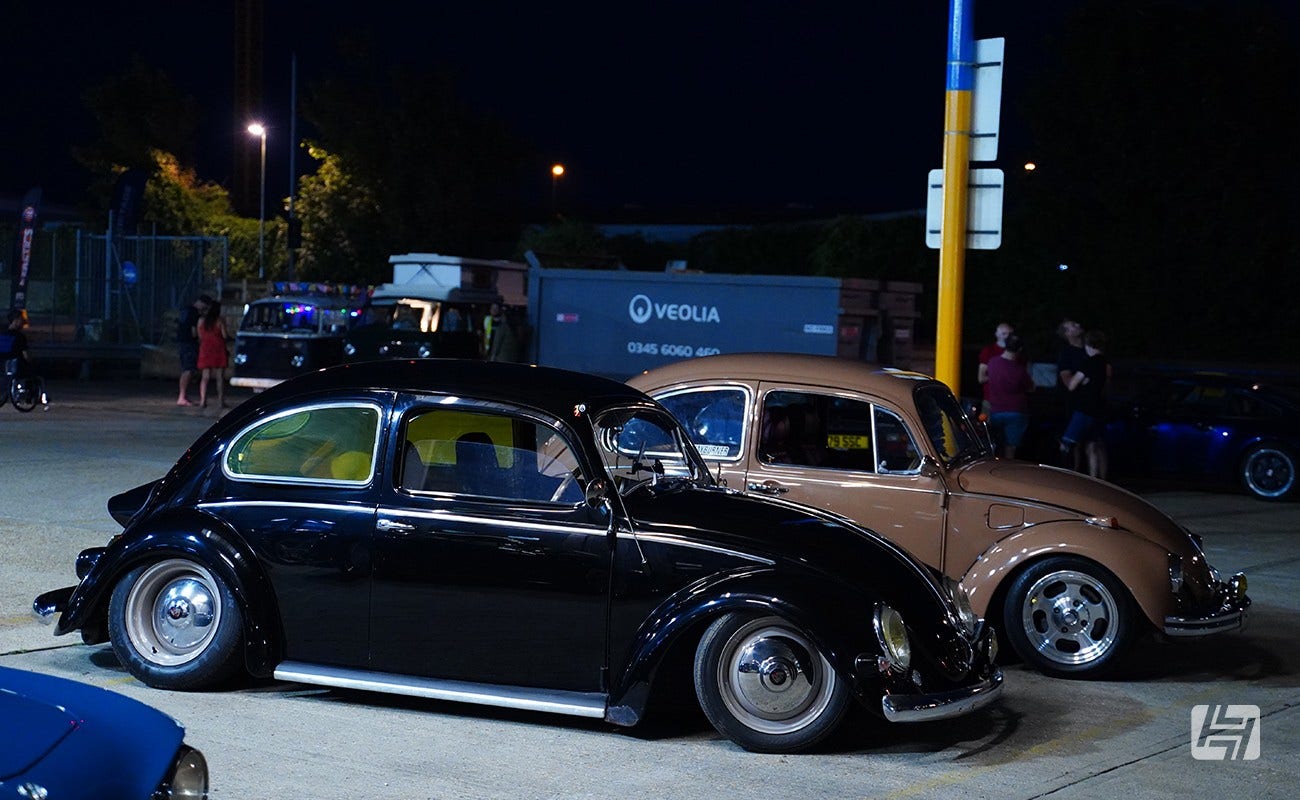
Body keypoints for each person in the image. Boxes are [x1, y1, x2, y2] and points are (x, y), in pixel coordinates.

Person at [1060, 329, 1110, 479]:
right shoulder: (1104, 363)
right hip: (1097, 409)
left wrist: (1082, 382)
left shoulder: (1088, 363)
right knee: (1092, 446)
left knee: (1066, 444)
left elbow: (1072, 385)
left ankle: (1066, 478)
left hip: (1083, 409)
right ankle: (1096, 479)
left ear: (1088, 345)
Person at [985, 333, 1034, 459]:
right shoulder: (1019, 369)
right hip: (1016, 411)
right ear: (1020, 349)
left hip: (996, 410)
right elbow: (1030, 387)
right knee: (1011, 447)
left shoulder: (992, 363)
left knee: (996, 445)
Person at [1055, 317, 1087, 469]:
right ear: (1067, 333)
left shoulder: (1089, 350)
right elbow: (1068, 382)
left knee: (1095, 443)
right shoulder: (1066, 354)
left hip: (1092, 403)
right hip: (1074, 405)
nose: (1078, 325)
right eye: (1073, 325)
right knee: (1074, 443)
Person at [176, 294, 211, 406]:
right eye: (204, 307)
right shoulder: (194, 313)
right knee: (188, 369)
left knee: (186, 369)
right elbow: (194, 330)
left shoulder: (185, 309)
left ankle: (183, 395)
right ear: (201, 303)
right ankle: (181, 397)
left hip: (182, 341)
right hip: (189, 343)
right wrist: (199, 340)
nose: (203, 310)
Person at [196, 299, 229, 409]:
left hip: (205, 349)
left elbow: (200, 336)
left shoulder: (201, 321)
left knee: (205, 377)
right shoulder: (220, 320)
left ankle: (202, 401)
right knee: (220, 377)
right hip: (218, 349)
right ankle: (220, 401)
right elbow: (224, 335)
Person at [977, 322, 1015, 416]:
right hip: (991, 400)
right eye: (1004, 334)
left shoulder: (1016, 352)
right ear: (997, 334)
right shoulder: (989, 351)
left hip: (1011, 402)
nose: (1007, 337)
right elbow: (981, 378)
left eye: (1009, 334)